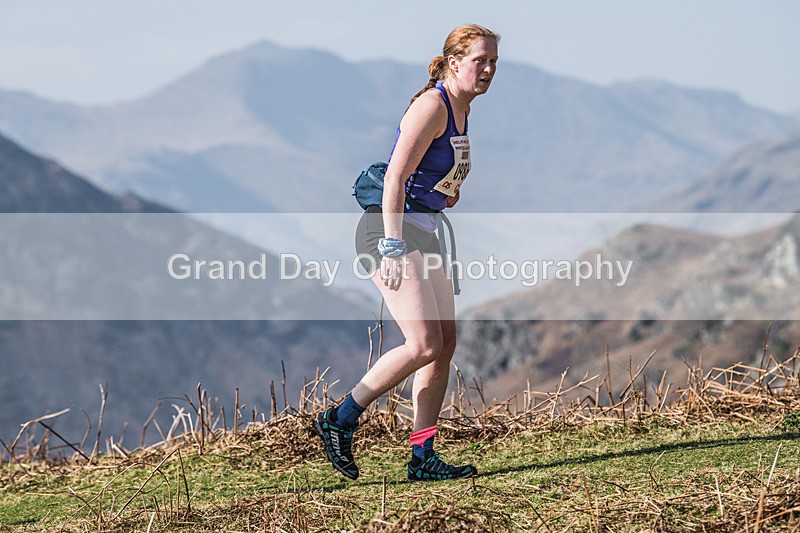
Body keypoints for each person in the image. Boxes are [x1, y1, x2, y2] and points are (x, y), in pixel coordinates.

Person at [313, 23, 499, 482]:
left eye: (494, 61)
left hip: (423, 229)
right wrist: (394, 247)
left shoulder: (461, 108)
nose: (489, 69)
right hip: (388, 233)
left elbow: (427, 177)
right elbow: (395, 178)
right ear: (454, 62)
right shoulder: (432, 105)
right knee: (422, 343)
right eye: (481, 60)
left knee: (444, 346)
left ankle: (422, 456)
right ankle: (341, 418)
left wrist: (446, 193)